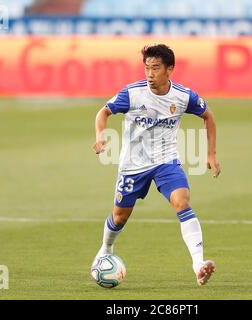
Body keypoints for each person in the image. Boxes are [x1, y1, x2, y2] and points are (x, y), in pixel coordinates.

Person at [91, 44, 221, 285]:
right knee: (120, 217)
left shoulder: (183, 96)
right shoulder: (133, 93)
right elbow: (104, 112)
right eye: (147, 68)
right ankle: (105, 249)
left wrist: (211, 155)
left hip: (166, 161)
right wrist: (100, 135)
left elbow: (208, 116)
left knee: (182, 202)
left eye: (156, 68)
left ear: (169, 70)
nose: (150, 74)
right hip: (133, 164)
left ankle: (198, 265)